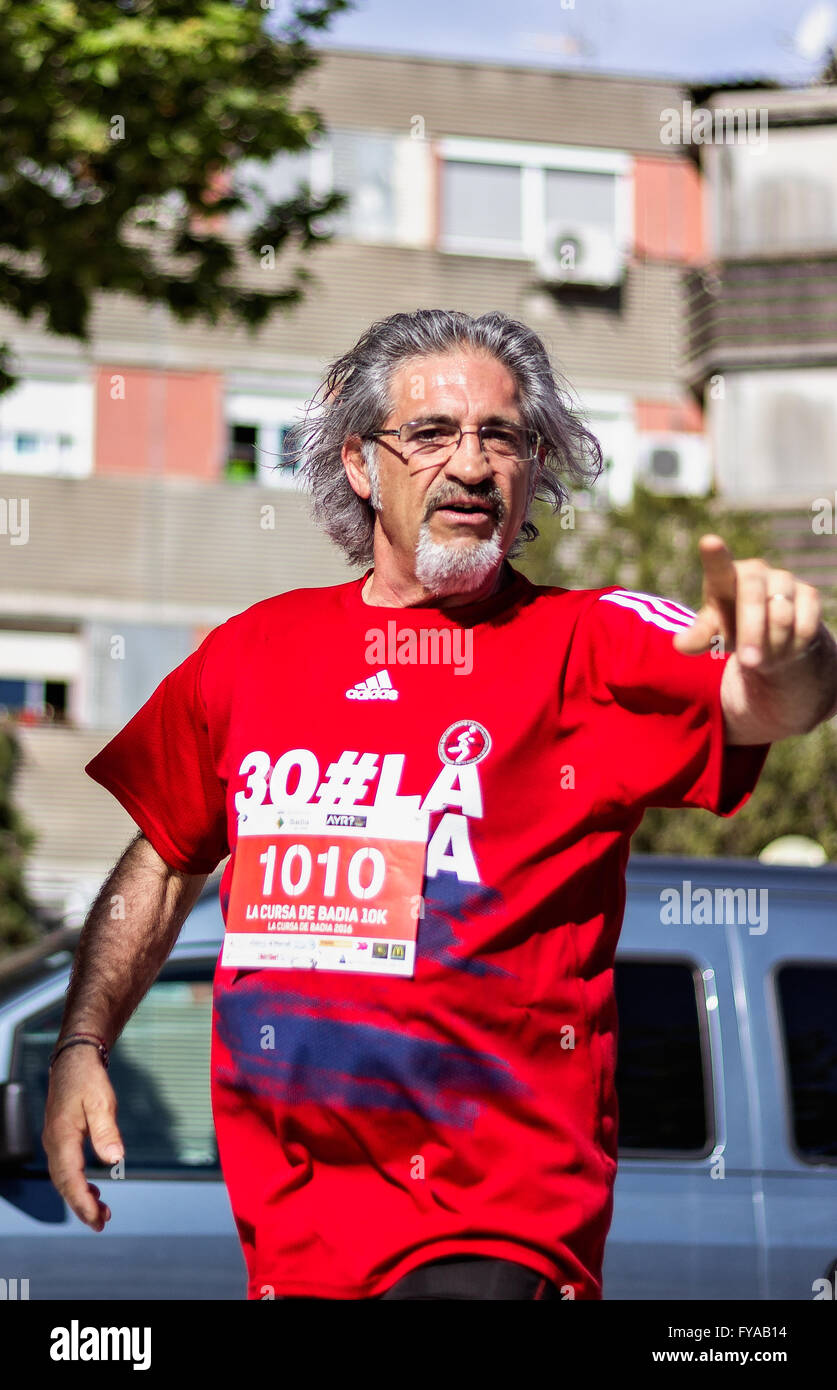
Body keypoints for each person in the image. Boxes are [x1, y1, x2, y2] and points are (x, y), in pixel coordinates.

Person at [44, 309, 837, 1301]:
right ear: (361, 465)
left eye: (501, 436)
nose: (471, 464)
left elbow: (766, 700)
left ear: (534, 468)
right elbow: (163, 859)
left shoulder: (586, 644)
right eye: (432, 434)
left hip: (493, 1230)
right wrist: (82, 1041)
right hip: (289, 1237)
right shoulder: (252, 654)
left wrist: (794, 645)